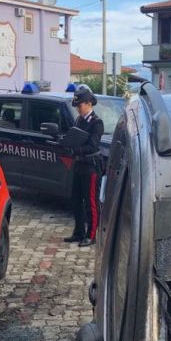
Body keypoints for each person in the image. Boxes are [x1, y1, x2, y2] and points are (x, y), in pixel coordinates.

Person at [64, 87, 104, 247]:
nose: (78, 109)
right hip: (79, 164)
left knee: (91, 203)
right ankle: (79, 232)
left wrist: (75, 150)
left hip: (90, 166)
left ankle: (91, 234)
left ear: (88, 104)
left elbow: (92, 146)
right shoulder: (79, 120)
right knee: (76, 200)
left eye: (80, 106)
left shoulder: (96, 123)